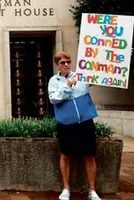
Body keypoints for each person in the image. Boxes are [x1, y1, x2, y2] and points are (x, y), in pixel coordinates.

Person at [48, 51, 101, 200]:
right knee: (65, 155)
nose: (66, 65)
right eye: (62, 62)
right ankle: (66, 188)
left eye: (68, 62)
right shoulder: (54, 81)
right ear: (57, 64)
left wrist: (120, 58)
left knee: (89, 155)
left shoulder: (81, 76)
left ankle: (92, 190)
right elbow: (54, 99)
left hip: (85, 122)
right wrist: (67, 85)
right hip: (66, 124)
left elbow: (102, 75)